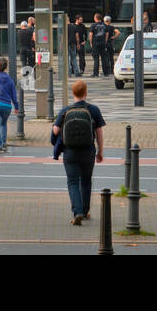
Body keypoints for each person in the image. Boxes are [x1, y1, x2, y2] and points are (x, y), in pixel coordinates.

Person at [51, 79, 106, 226]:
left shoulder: (65, 111)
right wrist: (100, 151)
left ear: (73, 93)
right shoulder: (93, 110)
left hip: (70, 152)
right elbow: (99, 133)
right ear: (86, 93)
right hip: (88, 151)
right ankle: (86, 211)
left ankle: (78, 212)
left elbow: (55, 131)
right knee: (86, 181)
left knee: (73, 182)